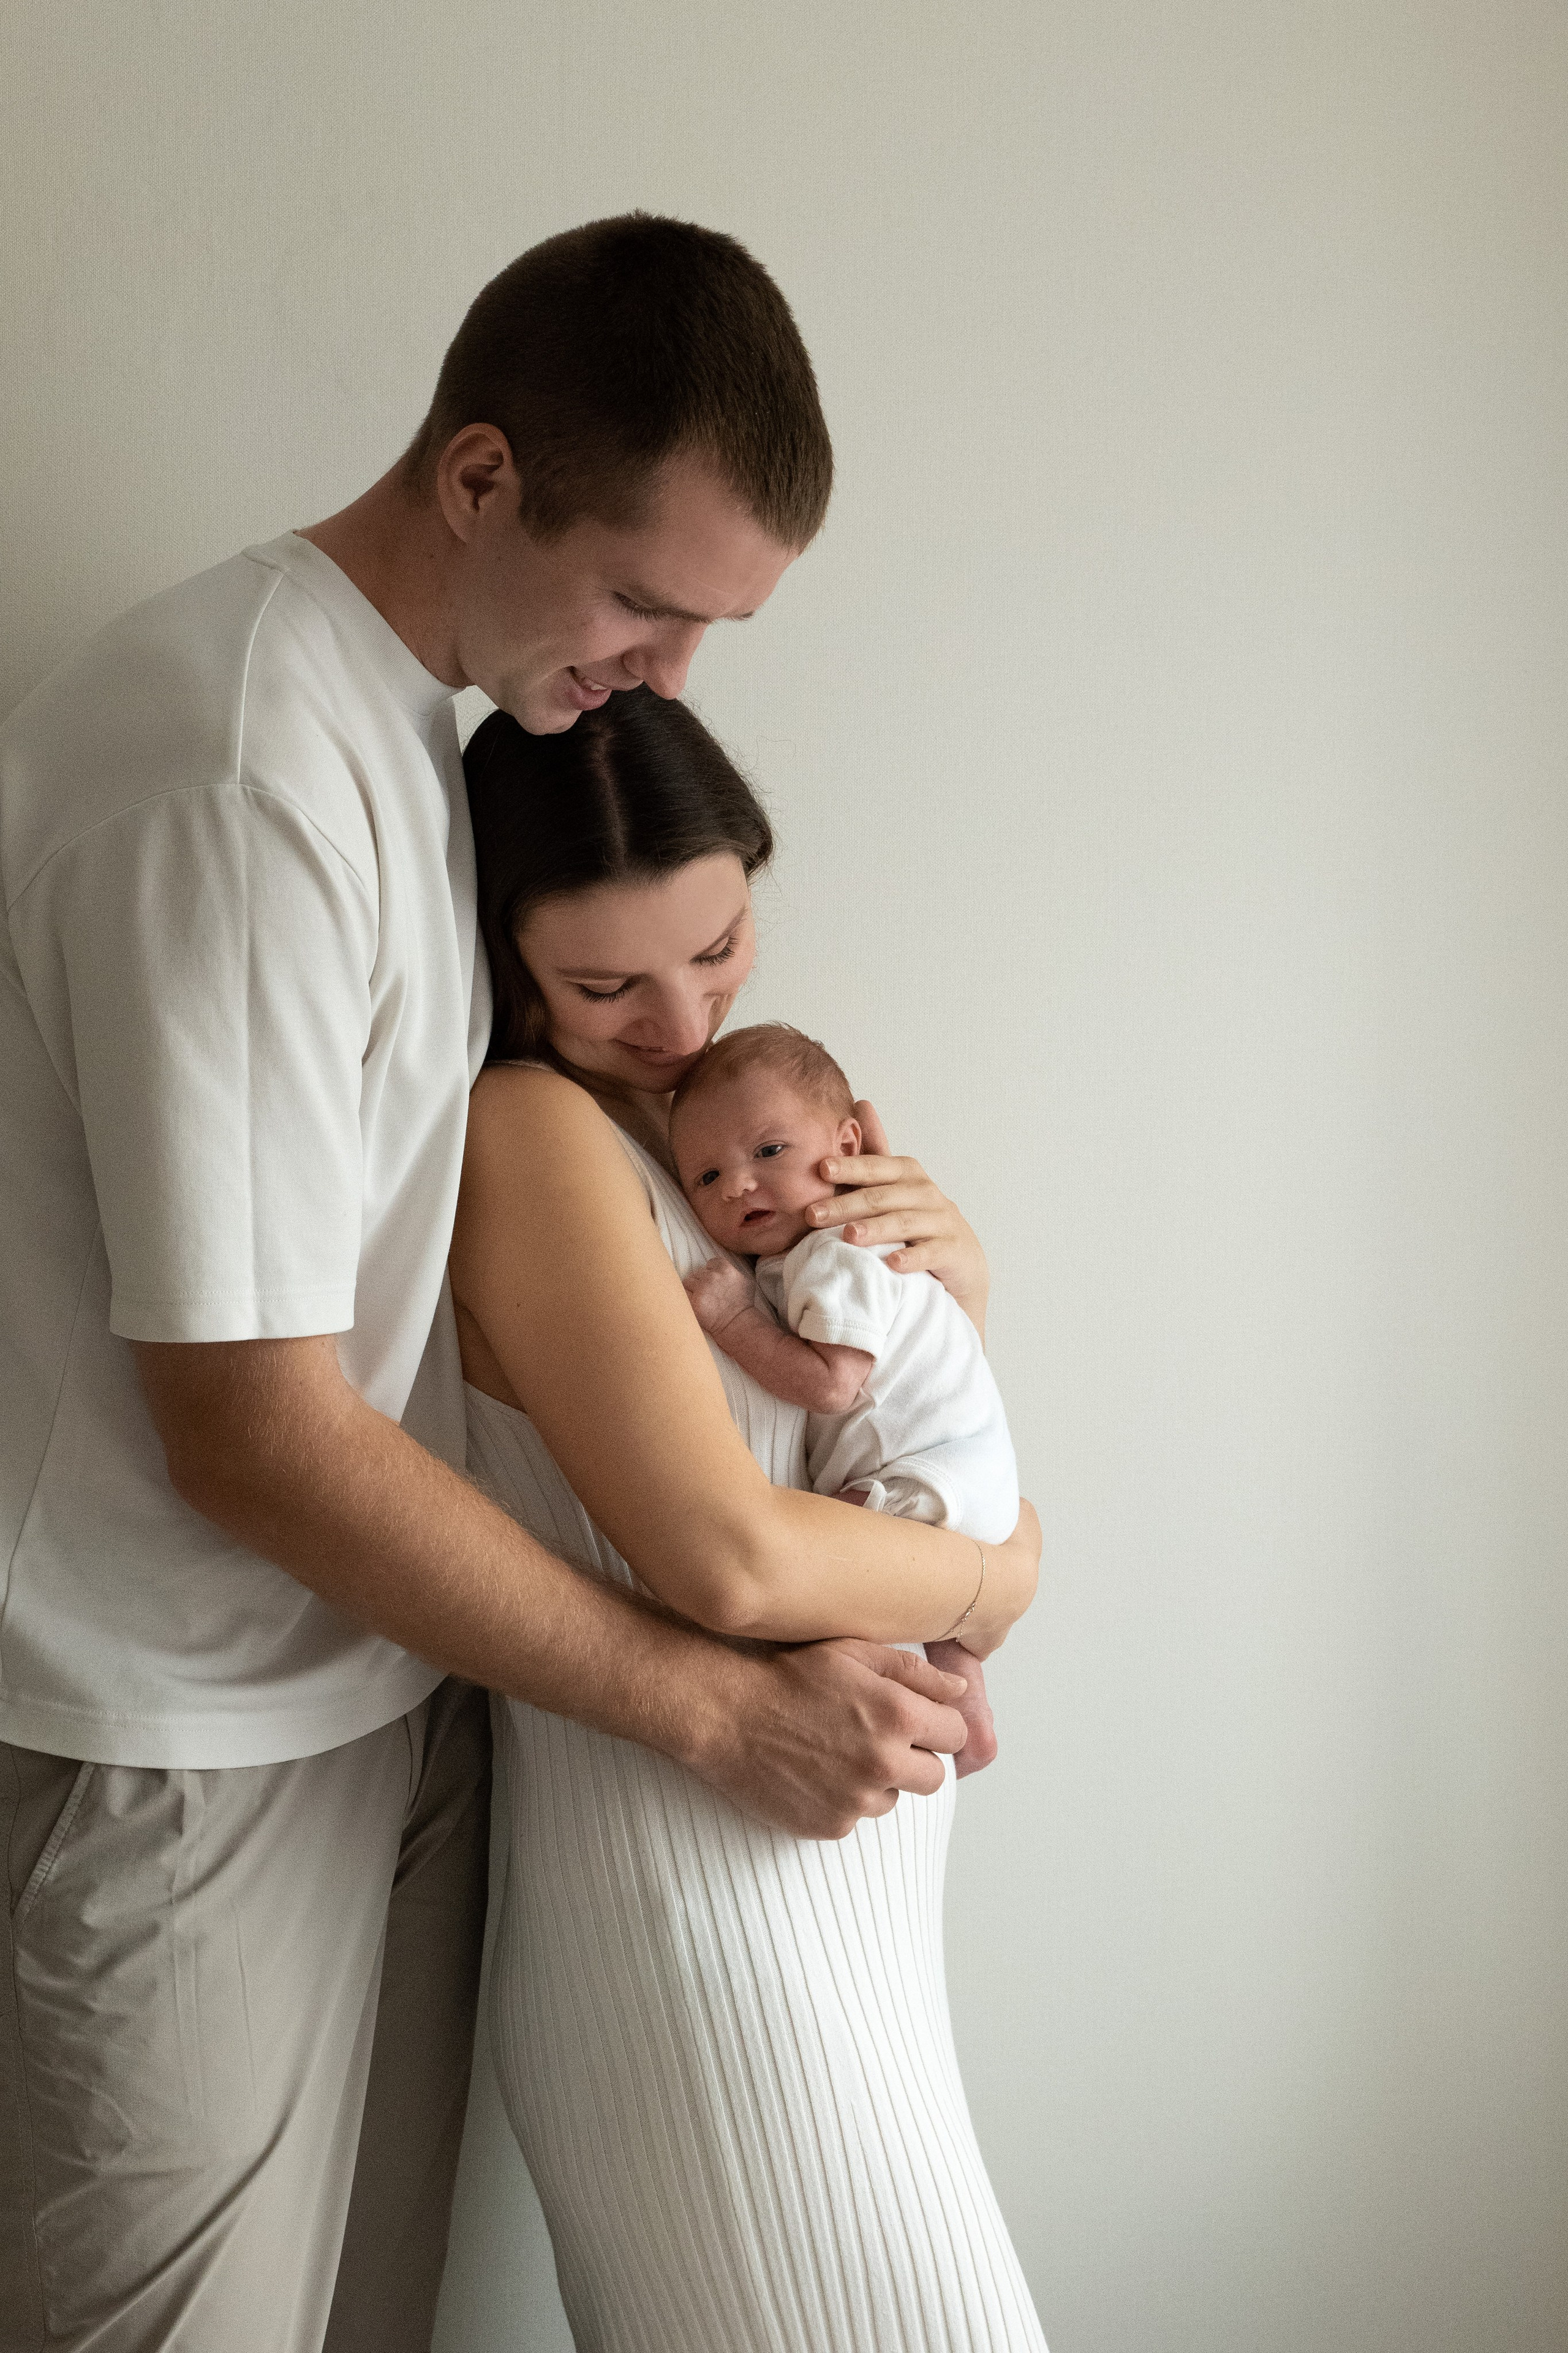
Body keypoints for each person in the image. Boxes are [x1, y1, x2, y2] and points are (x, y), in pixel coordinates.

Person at [0, 213, 1038, 2353]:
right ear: (481, 477)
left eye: (711, 628)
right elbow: (249, 1426)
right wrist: (735, 1696)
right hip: (183, 1735)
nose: (666, 680)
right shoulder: (240, 765)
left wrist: (900, 1312)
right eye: (648, 603)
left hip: (390, 1695)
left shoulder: (407, 737)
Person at [453, 689, 1046, 2352]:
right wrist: (1001, 1570)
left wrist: (952, 1304)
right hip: (700, 1926)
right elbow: (738, 1558)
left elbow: (856, 1458)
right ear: (509, 965)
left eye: (715, 948)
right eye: (604, 987)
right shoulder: (534, 1135)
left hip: (827, 1918)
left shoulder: (734, 1142)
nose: (678, 1019)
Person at [672, 1020, 1017, 1764]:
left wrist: (731, 1319)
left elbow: (832, 1384)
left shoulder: (839, 1250)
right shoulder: (823, 1252)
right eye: (706, 1177)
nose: (738, 1184)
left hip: (925, 1475)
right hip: (967, 1480)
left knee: (824, 1573)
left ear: (848, 1146)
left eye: (769, 1151)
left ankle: (929, 1724)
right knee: (933, 1627)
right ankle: (971, 1718)